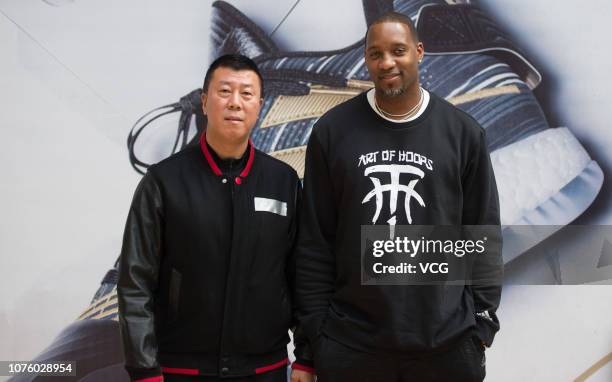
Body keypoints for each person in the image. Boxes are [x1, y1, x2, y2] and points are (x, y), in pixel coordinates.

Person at [292, 12, 503, 382]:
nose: (386, 62)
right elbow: (314, 243)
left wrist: (481, 325)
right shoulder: (331, 132)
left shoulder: (463, 133)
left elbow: (482, 235)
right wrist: (316, 342)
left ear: (420, 52)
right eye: (375, 54)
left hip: (447, 346)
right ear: (366, 60)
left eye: (398, 50)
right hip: (351, 346)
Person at [117, 54, 304, 382]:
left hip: (265, 369)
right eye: (224, 91)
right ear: (204, 102)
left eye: (246, 94)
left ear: (260, 105)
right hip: (181, 369)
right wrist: (144, 368)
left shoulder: (283, 181)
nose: (235, 103)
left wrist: (306, 355)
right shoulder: (163, 182)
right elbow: (135, 282)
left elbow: (301, 273)